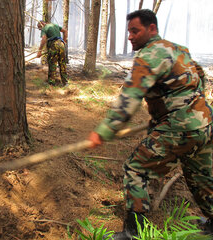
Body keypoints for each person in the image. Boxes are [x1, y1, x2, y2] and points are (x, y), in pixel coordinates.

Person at [88, 9, 213, 239]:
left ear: (151, 28)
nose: (130, 37)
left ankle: (134, 233)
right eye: (129, 32)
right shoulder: (178, 49)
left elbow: (129, 99)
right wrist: (163, 117)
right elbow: (200, 78)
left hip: (180, 128)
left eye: (135, 31)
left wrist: (103, 131)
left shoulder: (149, 55)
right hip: (204, 125)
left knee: (135, 169)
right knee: (201, 175)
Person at [37, 20, 68, 87]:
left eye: (40, 28)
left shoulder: (44, 28)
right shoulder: (55, 25)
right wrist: (64, 41)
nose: (40, 29)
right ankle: (65, 83)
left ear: (42, 24)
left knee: (52, 64)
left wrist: (39, 51)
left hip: (53, 46)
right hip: (61, 45)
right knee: (62, 64)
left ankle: (51, 83)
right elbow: (65, 31)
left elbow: (44, 39)